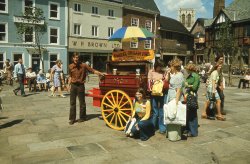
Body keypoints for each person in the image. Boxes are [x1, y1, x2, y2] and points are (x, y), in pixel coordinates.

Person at [68, 53, 104, 125]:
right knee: (72, 103)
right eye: (74, 57)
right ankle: (72, 119)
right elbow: (70, 76)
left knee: (82, 103)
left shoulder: (84, 65)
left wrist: (100, 73)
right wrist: (68, 85)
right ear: (72, 58)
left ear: (78, 58)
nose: (76, 59)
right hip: (73, 85)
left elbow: (92, 70)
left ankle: (82, 117)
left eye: (77, 57)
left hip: (80, 86)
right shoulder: (70, 66)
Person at [165, 58, 185, 141]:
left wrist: (176, 104)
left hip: (174, 98)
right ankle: (171, 134)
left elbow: (178, 90)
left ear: (174, 66)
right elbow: (167, 80)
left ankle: (175, 135)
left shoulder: (179, 76)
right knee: (171, 115)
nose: (170, 67)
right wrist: (168, 72)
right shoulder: (175, 74)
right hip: (171, 96)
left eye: (171, 66)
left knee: (174, 116)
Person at [147, 59, 166, 134]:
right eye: (159, 67)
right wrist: (150, 88)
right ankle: (152, 127)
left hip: (162, 93)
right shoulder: (151, 71)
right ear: (156, 66)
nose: (160, 68)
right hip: (154, 93)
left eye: (161, 67)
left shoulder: (163, 72)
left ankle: (162, 127)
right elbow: (149, 81)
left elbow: (165, 80)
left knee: (161, 110)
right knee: (155, 111)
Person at [185, 63, 200, 137]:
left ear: (190, 69)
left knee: (193, 114)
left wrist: (187, 85)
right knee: (189, 112)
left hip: (192, 96)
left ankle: (193, 132)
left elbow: (194, 87)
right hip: (189, 95)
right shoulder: (190, 75)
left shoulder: (195, 76)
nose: (186, 70)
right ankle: (189, 129)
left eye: (187, 69)